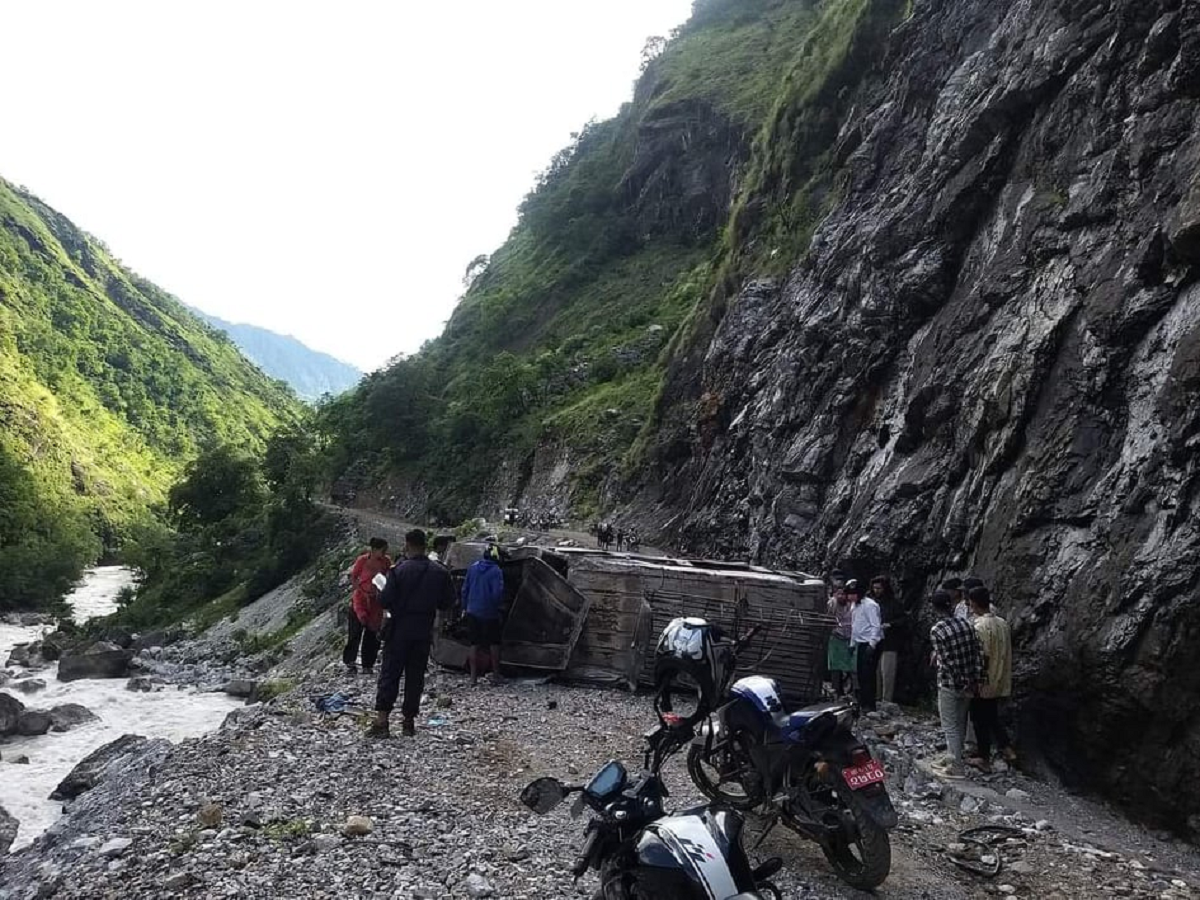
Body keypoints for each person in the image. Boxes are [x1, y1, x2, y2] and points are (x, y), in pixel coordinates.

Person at [370, 529, 456, 739]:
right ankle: (408, 722)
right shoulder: (440, 572)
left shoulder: (398, 571)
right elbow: (447, 603)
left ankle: (382, 721)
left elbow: (385, 600)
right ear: (425, 545)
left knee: (390, 673)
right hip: (423, 630)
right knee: (415, 676)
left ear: (407, 544)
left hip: (399, 629)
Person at [929, 588, 985, 778]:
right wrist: (974, 680)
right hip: (970, 681)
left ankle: (957, 766)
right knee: (961, 722)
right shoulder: (967, 623)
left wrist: (960, 681)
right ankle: (955, 756)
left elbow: (946, 662)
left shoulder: (938, 630)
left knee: (950, 724)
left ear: (935, 609)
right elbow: (978, 653)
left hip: (950, 683)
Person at [967, 586, 1015, 771]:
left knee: (979, 718)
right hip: (1001, 675)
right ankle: (1005, 746)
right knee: (992, 714)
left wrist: (976, 681)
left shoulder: (979, 626)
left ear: (974, 603)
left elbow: (982, 656)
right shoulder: (1002, 623)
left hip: (985, 679)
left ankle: (983, 756)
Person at [343, 538, 391, 676]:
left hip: (376, 602)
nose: (384, 553)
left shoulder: (386, 562)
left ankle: (367, 665)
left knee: (372, 634)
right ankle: (350, 662)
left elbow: (389, 576)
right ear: (374, 549)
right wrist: (359, 591)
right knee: (354, 634)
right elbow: (354, 577)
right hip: (361, 600)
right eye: (382, 550)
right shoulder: (362, 560)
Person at [463, 544, 506, 685]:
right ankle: (495, 676)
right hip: (490, 613)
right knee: (494, 644)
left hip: (472, 611)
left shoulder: (473, 567)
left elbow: (465, 589)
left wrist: (465, 607)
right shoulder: (496, 571)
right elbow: (497, 593)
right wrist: (499, 607)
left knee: (474, 644)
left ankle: (473, 678)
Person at [849, 580, 883, 712]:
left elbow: (876, 625)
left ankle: (870, 704)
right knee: (861, 674)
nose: (850, 597)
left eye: (853, 594)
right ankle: (863, 702)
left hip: (870, 643)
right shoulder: (855, 606)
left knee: (868, 674)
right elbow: (855, 626)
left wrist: (873, 644)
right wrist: (852, 643)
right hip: (860, 642)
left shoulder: (870, 605)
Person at [871, 575, 906, 703]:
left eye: (879, 588)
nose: (876, 591)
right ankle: (877, 698)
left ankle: (886, 700)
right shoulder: (872, 603)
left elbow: (903, 619)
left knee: (887, 673)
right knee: (876, 673)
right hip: (875, 641)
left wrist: (890, 624)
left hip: (890, 642)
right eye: (874, 588)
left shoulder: (894, 603)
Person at [825, 586, 856, 696]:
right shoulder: (831, 604)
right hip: (836, 637)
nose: (841, 596)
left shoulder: (852, 605)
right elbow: (827, 620)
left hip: (850, 639)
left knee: (852, 667)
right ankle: (837, 691)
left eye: (843, 594)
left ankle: (853, 692)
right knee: (835, 666)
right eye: (838, 594)